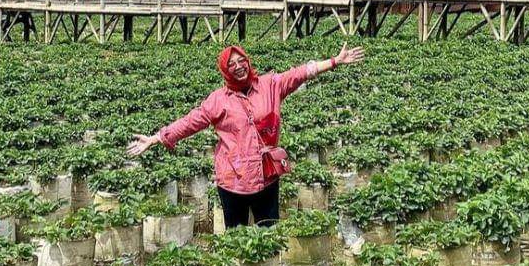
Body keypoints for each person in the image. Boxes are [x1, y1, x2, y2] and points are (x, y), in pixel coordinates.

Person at [127, 43, 365, 228]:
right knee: (236, 235)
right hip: (233, 181)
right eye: (232, 65)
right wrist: (157, 138)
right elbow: (191, 122)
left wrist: (334, 61)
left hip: (266, 175)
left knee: (268, 230)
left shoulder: (270, 85)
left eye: (242, 61)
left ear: (248, 62)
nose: (239, 67)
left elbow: (300, 73)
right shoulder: (218, 100)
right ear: (225, 71)